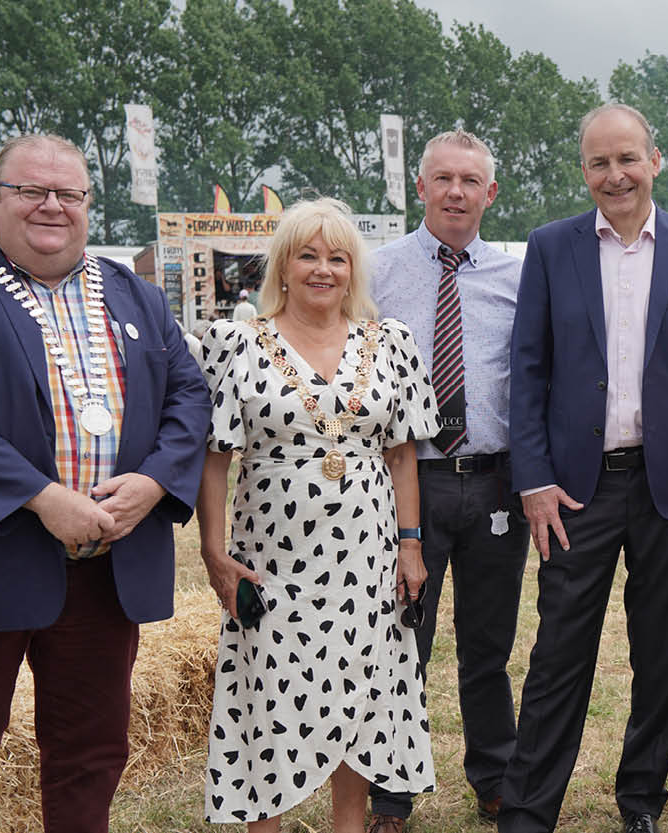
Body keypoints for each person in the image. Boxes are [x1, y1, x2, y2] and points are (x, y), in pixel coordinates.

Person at [0, 134, 209, 833]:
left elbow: (190, 396)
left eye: (68, 193)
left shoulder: (139, 299)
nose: (51, 206)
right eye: (33, 190)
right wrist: (43, 497)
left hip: (102, 573)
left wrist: (155, 481)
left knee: (90, 754)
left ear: (88, 205)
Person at [504, 102, 668, 833]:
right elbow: (528, 369)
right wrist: (534, 480)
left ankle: (641, 799)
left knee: (661, 653)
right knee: (557, 654)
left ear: (654, 160)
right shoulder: (550, 247)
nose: (616, 174)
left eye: (627, 158)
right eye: (600, 162)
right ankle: (527, 809)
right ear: (584, 171)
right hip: (576, 488)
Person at [195, 197, 438, 831]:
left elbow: (404, 454)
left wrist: (410, 546)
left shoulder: (391, 342)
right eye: (307, 255)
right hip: (272, 556)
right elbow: (216, 457)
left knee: (359, 688)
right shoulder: (236, 342)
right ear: (283, 264)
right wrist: (213, 553)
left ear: (354, 269)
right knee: (267, 693)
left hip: (366, 552)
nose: (322, 269)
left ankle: (349, 826)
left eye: (337, 257)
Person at [365, 129, 529, 829]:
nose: (457, 192)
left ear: (490, 193)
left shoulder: (518, 276)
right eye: (444, 179)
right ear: (420, 187)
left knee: (488, 645)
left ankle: (495, 776)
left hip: (495, 482)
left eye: (471, 180)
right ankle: (390, 793)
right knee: (402, 638)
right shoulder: (374, 272)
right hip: (407, 481)